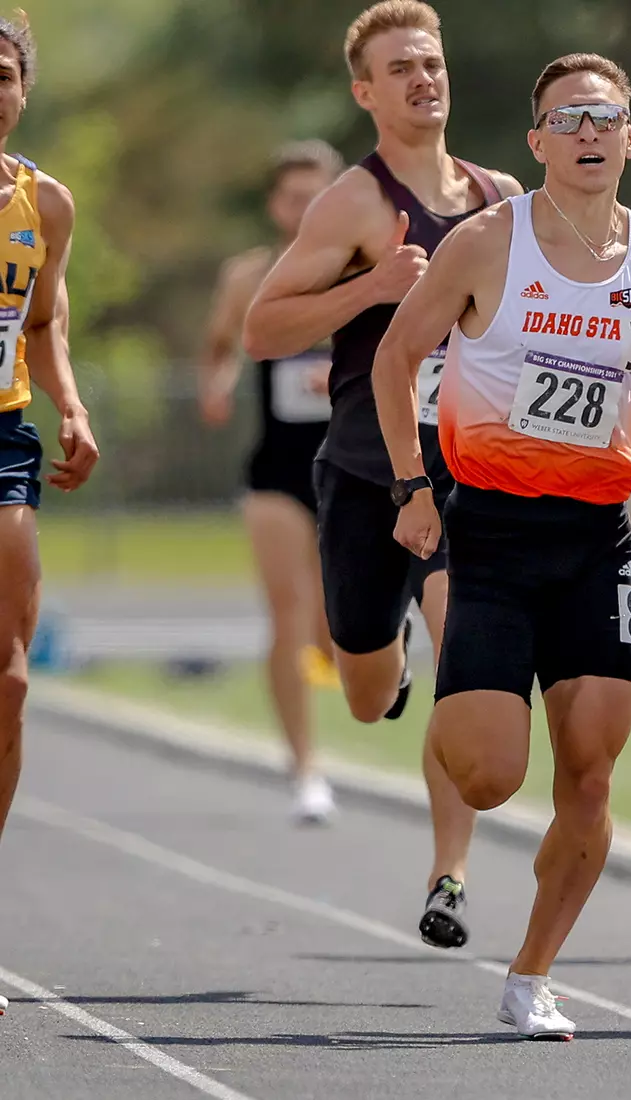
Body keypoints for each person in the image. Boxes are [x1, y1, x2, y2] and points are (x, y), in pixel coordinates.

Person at [376, 52, 631, 1038]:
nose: (586, 133)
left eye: (603, 117)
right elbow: (398, 358)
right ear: (537, 142)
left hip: (595, 540)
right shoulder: (489, 241)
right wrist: (410, 486)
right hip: (488, 531)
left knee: (593, 770)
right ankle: (447, 687)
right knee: (489, 775)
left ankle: (531, 973)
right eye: (567, 119)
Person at [241, 0, 522, 949]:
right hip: (366, 474)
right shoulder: (354, 203)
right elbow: (262, 328)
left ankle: (450, 877)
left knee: (466, 667)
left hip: (466, 474)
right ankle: (381, 655)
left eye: (431, 62)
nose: (422, 78)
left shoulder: (500, 197)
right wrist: (370, 286)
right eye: (400, 67)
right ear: (365, 92)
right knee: (364, 689)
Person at [200, 140, 346, 825]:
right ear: (274, 205)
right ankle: (305, 768)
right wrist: (218, 383)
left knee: (335, 630)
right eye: (293, 197)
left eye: (318, 195)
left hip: (351, 468)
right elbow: (219, 344)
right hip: (276, 473)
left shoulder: (366, 269)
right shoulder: (249, 275)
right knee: (286, 614)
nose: (305, 208)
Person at [0, 12, 100, 859]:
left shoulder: (48, 204)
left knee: (9, 680)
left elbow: (42, 324)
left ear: (24, 92)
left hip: (4, 435)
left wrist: (72, 406)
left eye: (2, 77)